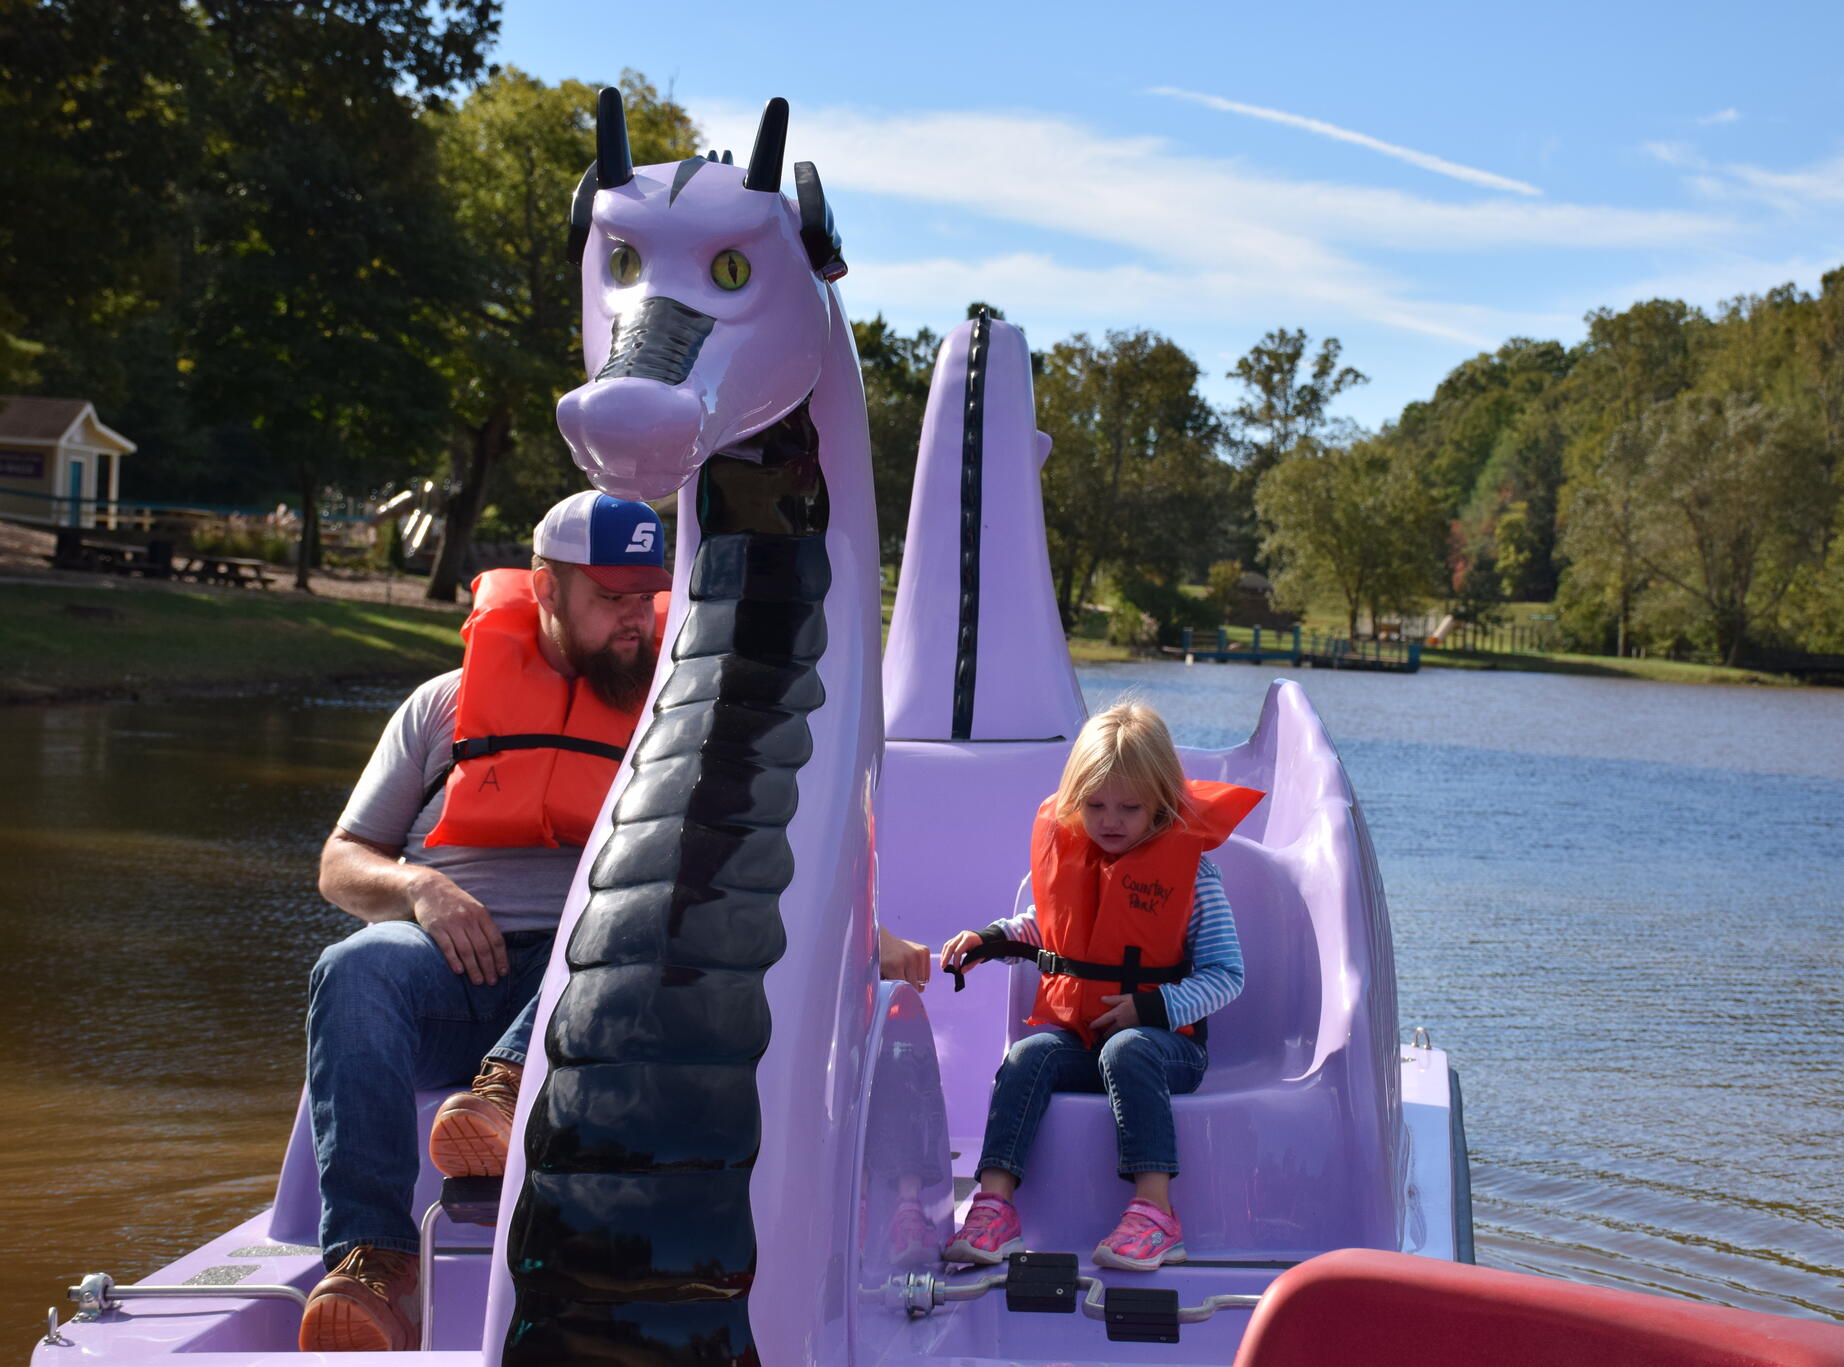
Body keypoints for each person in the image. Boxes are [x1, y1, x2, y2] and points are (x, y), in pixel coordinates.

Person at [297, 490, 933, 1352]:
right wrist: (420, 890)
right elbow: (341, 862)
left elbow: (738, 864)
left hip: (599, 996)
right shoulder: (441, 707)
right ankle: (375, 1262)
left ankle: (509, 1088)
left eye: (646, 595)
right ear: (546, 588)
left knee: (625, 924)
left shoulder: (680, 723)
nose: (636, 619)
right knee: (354, 968)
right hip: (446, 966)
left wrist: (864, 935)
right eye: (610, 597)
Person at [938, 702, 1263, 1273]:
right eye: (1094, 806)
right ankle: (995, 1206)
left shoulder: (1195, 877)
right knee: (1027, 1056)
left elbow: (1226, 976)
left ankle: (1157, 1214)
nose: (1110, 821)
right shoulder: (1074, 860)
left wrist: (1152, 1006)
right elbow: (1045, 929)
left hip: (1167, 1050)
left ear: (1161, 803)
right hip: (1080, 1039)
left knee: (1128, 1047)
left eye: (1129, 808)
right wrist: (986, 940)